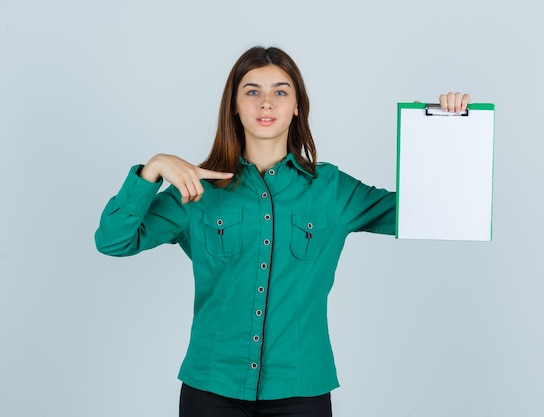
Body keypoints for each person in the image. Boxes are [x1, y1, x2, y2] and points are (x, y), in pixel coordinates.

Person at [95, 46, 471, 417]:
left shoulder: (331, 189)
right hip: (210, 390)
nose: (266, 103)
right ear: (234, 107)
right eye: (252, 91)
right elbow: (113, 240)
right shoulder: (198, 190)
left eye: (280, 91)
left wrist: (443, 132)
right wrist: (153, 168)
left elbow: (434, 213)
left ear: (296, 107)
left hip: (300, 392)